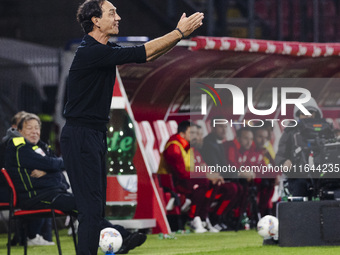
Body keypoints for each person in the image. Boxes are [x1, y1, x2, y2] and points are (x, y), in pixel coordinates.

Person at [60, 0, 203, 254]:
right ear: (95, 20)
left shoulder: (102, 50)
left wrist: (178, 38)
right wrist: (178, 32)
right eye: (112, 13)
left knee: (93, 209)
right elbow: (144, 53)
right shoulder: (91, 52)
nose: (118, 17)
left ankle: (121, 239)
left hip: (92, 135)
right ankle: (118, 239)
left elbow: (148, 55)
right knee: (91, 211)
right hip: (81, 135)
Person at [6, 113, 143, 253]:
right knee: (87, 206)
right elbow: (56, 164)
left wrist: (50, 169)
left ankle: (121, 238)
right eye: (29, 128)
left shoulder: (40, 148)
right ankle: (121, 237)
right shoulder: (19, 149)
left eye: (37, 128)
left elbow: (56, 164)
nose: (34, 132)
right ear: (20, 131)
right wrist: (52, 168)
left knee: (88, 207)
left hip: (53, 194)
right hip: (36, 198)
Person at [275, 96, 326, 198]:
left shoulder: (326, 129)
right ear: (298, 115)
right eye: (303, 113)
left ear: (316, 113)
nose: (307, 116)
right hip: (298, 177)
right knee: (299, 191)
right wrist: (284, 162)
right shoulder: (290, 131)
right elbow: (280, 155)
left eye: (310, 112)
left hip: (323, 176)